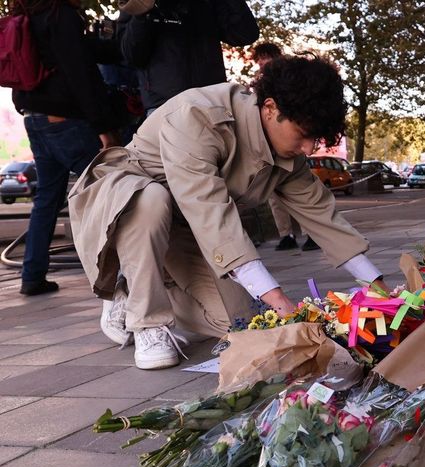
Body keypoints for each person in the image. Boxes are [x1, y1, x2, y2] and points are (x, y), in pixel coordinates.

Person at [68, 56, 383, 370]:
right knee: (152, 199)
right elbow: (212, 215)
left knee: (240, 321)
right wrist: (279, 299)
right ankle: (145, 319)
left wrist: (382, 292)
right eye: (303, 134)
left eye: (315, 139)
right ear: (271, 108)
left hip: (188, 228)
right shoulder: (197, 116)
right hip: (130, 205)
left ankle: (139, 288)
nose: (308, 148)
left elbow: (322, 215)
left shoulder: (287, 153)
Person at [11, 0, 121, 296]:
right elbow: (81, 72)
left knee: (47, 198)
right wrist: (103, 127)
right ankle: (121, 272)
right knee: (112, 188)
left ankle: (32, 275)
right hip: (65, 120)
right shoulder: (59, 14)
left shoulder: (23, 15)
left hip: (34, 119)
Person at [117, 0, 259, 114]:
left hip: (214, 104)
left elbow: (245, 34)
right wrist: (142, 12)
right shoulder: (135, 5)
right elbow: (131, 55)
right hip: (165, 107)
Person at [251, 41, 318, 252]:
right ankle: (286, 234)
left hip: (288, 145)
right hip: (268, 148)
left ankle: (311, 234)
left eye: (265, 58)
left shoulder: (289, 81)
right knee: (273, 195)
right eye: (259, 59)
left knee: (302, 191)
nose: (262, 62)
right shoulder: (258, 85)